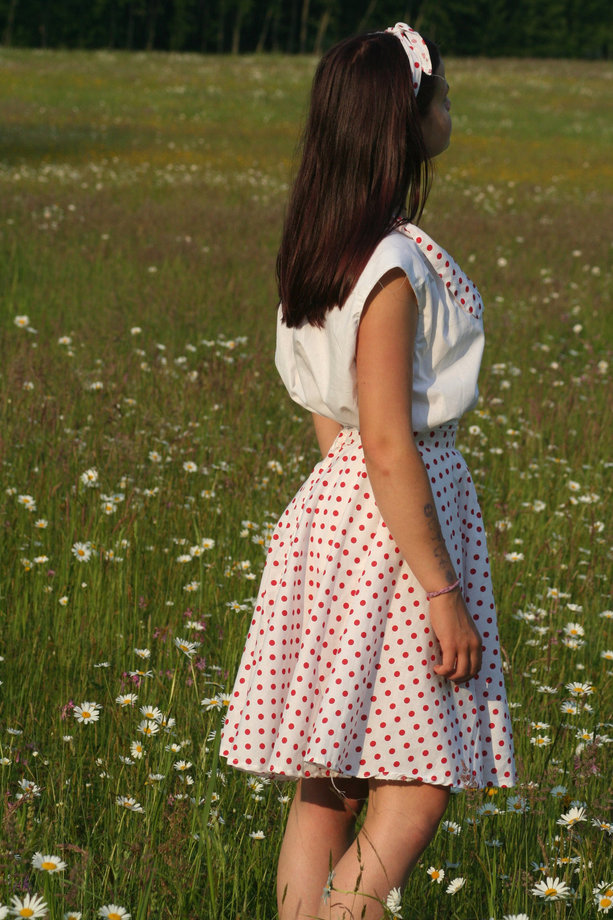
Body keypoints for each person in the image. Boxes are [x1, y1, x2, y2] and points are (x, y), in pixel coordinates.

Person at [220, 22, 516, 920]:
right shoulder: (389, 262)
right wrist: (438, 590)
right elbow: (386, 438)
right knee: (418, 783)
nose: (450, 108)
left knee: (331, 779)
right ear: (403, 118)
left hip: (342, 511)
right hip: (397, 520)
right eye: (441, 95)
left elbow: (334, 415)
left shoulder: (324, 244)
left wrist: (355, 525)